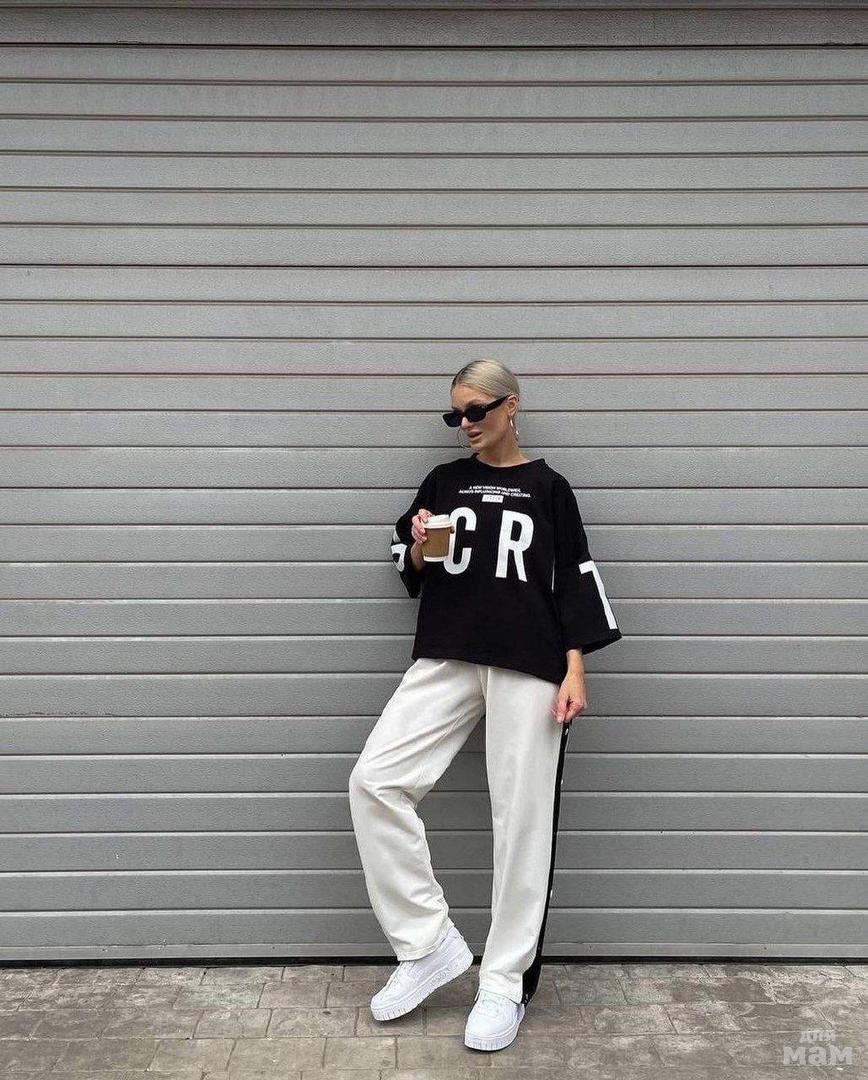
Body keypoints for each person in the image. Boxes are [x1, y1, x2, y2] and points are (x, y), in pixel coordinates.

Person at [348, 358, 623, 1052]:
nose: (465, 424)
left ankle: (503, 983)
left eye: (476, 410)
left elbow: (574, 578)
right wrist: (417, 546)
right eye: (456, 414)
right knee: (375, 781)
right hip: (448, 653)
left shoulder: (549, 488)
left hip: (531, 663)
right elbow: (408, 562)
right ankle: (428, 945)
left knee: (521, 821)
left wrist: (575, 668)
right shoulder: (444, 481)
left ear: (511, 405)